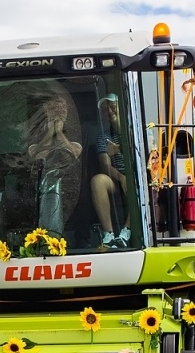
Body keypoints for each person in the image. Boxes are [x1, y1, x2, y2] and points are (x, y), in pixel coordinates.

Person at [24, 93, 83, 233]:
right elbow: (35, 155)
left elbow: (74, 154)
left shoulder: (74, 139)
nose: (57, 113)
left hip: (68, 187)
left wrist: (60, 133)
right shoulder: (35, 140)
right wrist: (50, 133)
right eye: (53, 110)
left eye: (61, 110)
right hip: (40, 186)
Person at [90, 94, 130, 249]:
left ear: (122, 108)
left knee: (143, 179)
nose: (109, 111)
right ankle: (109, 235)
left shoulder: (139, 131)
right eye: (105, 110)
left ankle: (126, 232)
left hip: (137, 176)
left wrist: (120, 149)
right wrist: (121, 178)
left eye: (112, 106)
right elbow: (105, 165)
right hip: (116, 178)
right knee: (98, 180)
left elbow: (148, 158)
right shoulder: (103, 137)